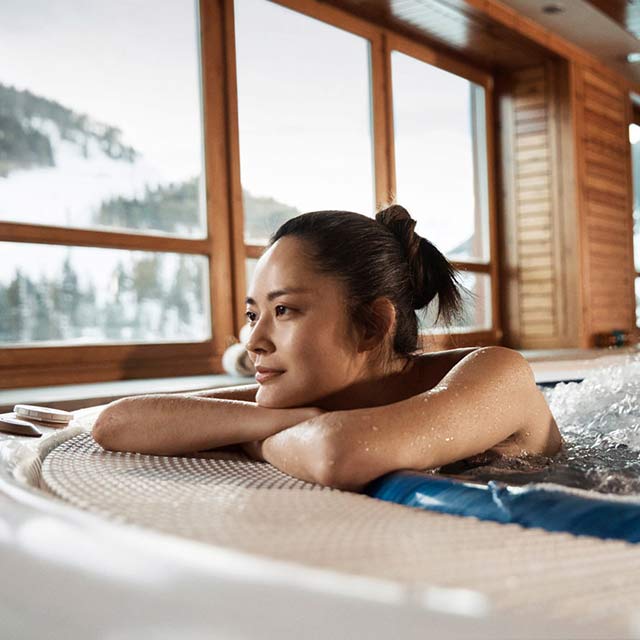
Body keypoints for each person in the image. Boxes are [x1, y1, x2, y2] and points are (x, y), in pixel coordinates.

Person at [93, 205, 562, 491]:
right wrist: (283, 423)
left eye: (284, 311)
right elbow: (117, 423)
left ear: (371, 326)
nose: (254, 340)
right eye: (253, 314)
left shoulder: (499, 373)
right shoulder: (315, 396)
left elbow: (341, 453)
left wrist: (251, 433)